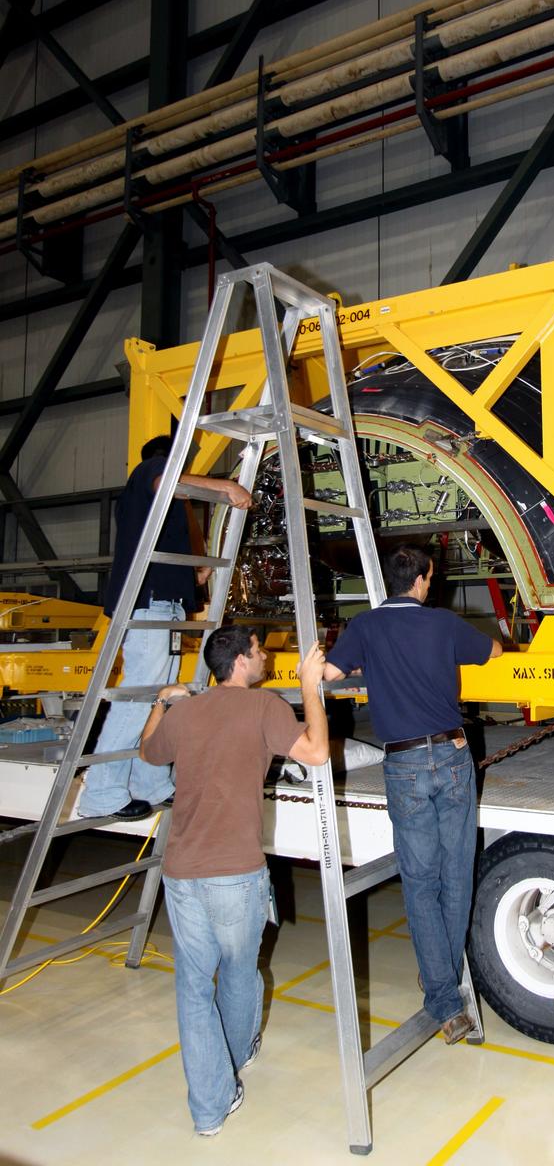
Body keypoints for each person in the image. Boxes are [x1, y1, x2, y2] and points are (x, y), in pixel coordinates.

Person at [140, 625, 329, 1136]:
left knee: (193, 986)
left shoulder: (187, 711)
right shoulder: (265, 706)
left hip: (181, 872)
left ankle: (209, 1110)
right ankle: (240, 1054)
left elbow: (148, 753)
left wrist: (164, 701)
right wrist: (309, 687)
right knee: (241, 972)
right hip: (236, 873)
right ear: (241, 663)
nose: (265, 656)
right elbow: (315, 753)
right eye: (259, 650)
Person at [323, 546, 502, 1044]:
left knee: (420, 881)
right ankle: (440, 975)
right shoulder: (442, 623)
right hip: (451, 756)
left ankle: (445, 999)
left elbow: (330, 675)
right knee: (456, 874)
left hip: (401, 764)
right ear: (423, 580)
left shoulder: (364, 626)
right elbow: (494, 653)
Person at [77, 435, 253, 820]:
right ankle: (101, 793)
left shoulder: (164, 506)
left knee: (164, 695)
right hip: (149, 603)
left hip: (167, 605)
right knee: (139, 696)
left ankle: (150, 782)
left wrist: (196, 574)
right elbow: (166, 479)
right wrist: (225, 486)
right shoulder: (150, 471)